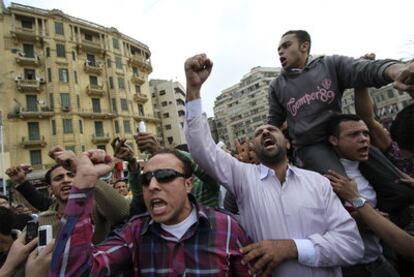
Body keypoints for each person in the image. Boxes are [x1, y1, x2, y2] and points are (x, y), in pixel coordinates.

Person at [184, 53, 364, 276]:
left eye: (272, 130)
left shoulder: (318, 183)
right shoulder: (242, 177)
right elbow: (202, 148)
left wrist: (292, 248)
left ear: (287, 143)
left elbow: (352, 245)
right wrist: (193, 89)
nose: (266, 132)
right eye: (259, 133)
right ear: (255, 148)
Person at [50, 148, 251, 276]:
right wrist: (84, 180)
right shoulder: (134, 234)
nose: (153, 185)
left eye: (165, 176)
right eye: (146, 179)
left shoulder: (228, 228)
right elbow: (74, 271)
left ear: (188, 184)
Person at [268, 30, 414, 182]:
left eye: (286, 46)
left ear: (304, 46)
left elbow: (364, 69)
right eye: (279, 50)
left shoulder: (330, 64)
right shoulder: (277, 85)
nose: (281, 52)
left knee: (395, 179)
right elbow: (274, 121)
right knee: (343, 185)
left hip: (342, 136)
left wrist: (397, 70)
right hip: (311, 145)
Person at [324, 114, 399, 276]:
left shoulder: (372, 169)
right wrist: (353, 221)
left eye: (365, 133)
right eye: (353, 135)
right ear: (333, 140)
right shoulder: (329, 177)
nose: (363, 139)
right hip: (351, 269)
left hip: (379, 260)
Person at [6, 147, 130, 244]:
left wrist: (86, 173)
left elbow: (123, 212)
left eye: (72, 175)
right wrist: (21, 182)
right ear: (51, 189)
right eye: (59, 178)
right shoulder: (42, 220)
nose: (66, 180)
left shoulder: (97, 207)